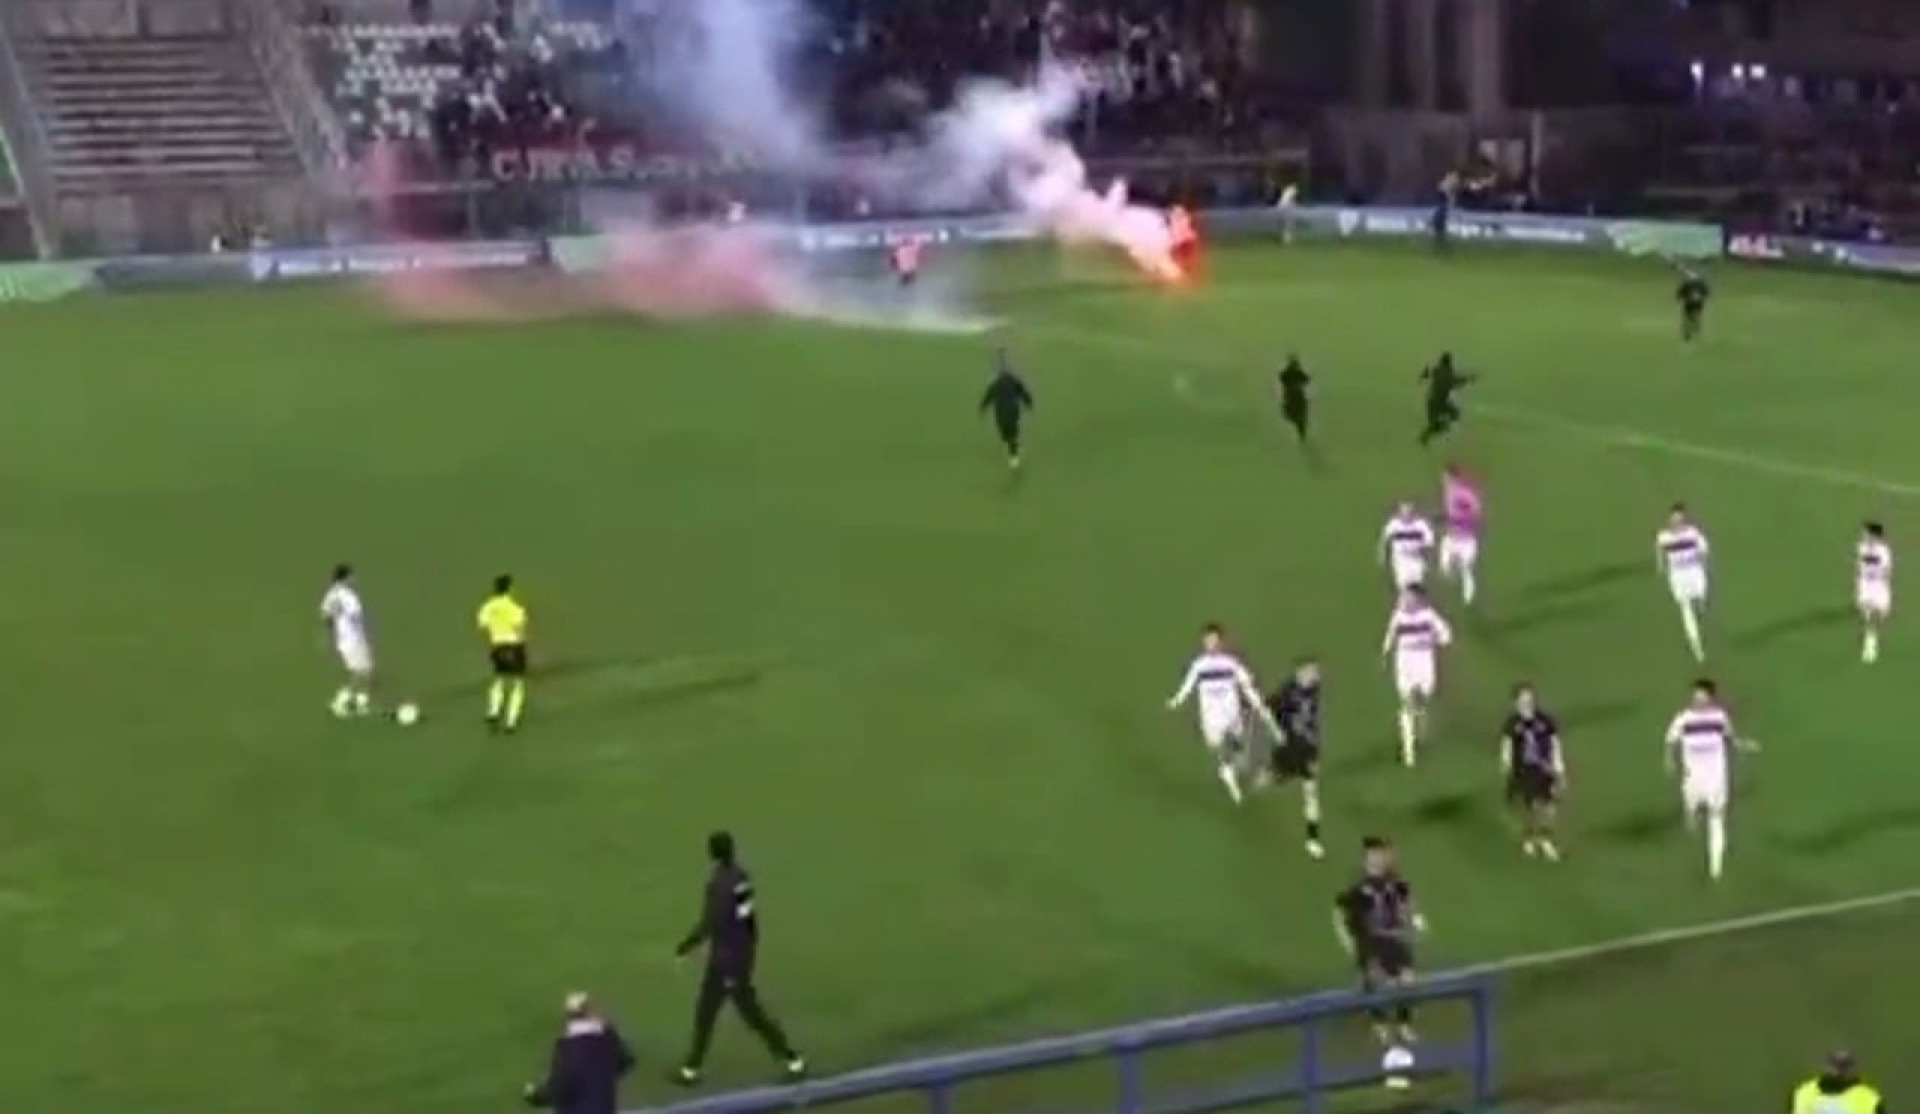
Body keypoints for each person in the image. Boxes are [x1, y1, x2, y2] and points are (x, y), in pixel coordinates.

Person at [675, 831, 807, 1087]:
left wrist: (685, 946)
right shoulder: (741, 878)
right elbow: (749, 922)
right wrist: (746, 954)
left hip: (725, 962)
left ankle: (792, 1058)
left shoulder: (717, 884)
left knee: (745, 1014)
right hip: (737, 958)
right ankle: (691, 1068)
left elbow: (709, 923)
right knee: (710, 1012)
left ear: (712, 853)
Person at [1167, 623, 1284, 805]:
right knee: (1219, 749)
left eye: (1214, 641)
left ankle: (1232, 770)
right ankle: (1231, 782)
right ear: (1203, 643)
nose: (1211, 645)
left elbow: (1246, 685)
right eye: (1207, 641)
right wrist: (1176, 700)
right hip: (1211, 718)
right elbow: (1187, 686)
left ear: (1221, 642)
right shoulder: (1199, 666)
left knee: (1238, 748)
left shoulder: (1230, 663)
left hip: (1231, 713)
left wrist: (1258, 704)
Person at [1333, 836, 1426, 1050]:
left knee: (1409, 981)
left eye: (1381, 855)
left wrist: (1416, 919)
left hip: (1394, 938)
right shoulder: (1359, 887)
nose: (1378, 860)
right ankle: (1380, 1024)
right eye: (1373, 856)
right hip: (1371, 941)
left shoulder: (1395, 882)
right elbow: (1339, 910)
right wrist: (1346, 938)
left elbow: (1409, 899)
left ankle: (1404, 1025)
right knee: (1376, 980)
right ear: (1365, 860)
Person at [1664, 678, 1756, 882]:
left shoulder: (1719, 717)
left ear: (1710, 698)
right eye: (1696, 695)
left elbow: (1730, 738)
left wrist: (1744, 745)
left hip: (1716, 776)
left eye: (1701, 695)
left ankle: (1716, 867)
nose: (1697, 699)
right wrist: (1669, 760)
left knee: (1717, 816)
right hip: (1693, 775)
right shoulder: (1684, 718)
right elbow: (1670, 740)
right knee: (1692, 812)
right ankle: (1692, 815)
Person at [522, 993, 635, 1114]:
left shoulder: (566, 1049)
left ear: (567, 1017)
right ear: (590, 1013)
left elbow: (560, 1089)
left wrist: (533, 1096)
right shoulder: (608, 1041)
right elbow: (626, 1061)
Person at [1381, 586, 1452, 768]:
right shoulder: (1398, 616)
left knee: (1423, 700)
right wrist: (1385, 652)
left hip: (1424, 661)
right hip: (1405, 662)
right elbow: (1390, 636)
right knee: (1407, 703)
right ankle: (1408, 750)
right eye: (1404, 598)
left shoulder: (1429, 616)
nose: (1405, 602)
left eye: (1409, 598)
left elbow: (1446, 635)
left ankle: (1419, 727)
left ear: (1419, 599)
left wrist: (1434, 640)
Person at [1266, 658, 1325, 858]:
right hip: (1289, 749)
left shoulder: (1314, 689)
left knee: (1311, 793)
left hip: (1308, 749)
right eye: (1312, 672)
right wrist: (1277, 732)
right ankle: (1249, 792)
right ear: (1300, 672)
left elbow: (1311, 718)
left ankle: (1313, 839)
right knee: (1272, 779)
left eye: (1317, 672)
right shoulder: (1287, 692)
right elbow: (1268, 709)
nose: (1316, 675)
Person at [1500, 684, 1565, 861]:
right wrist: (1506, 766)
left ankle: (1545, 838)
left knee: (1549, 806)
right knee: (1528, 807)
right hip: (1523, 770)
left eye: (1528, 700)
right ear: (1516, 703)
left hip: (1544, 768)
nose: (1526, 704)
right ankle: (1529, 838)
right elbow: (1507, 745)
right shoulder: (1513, 724)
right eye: (1522, 701)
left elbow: (1554, 742)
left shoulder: (1544, 721)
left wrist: (1558, 765)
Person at [1654, 504, 1711, 662]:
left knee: (1701, 598)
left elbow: (1704, 549)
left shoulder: (1692, 533)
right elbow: (1659, 546)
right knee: (1685, 608)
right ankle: (1696, 646)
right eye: (1674, 519)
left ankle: (1700, 606)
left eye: (1679, 519)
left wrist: (1703, 564)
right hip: (1678, 576)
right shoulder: (1664, 536)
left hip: (1694, 571)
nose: (1676, 522)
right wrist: (1660, 563)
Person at [320, 563, 375, 718]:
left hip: (343, 639)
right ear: (346, 577)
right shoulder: (348, 596)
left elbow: (325, 616)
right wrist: (368, 631)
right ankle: (339, 702)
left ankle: (360, 704)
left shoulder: (331, 594)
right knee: (361, 672)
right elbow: (356, 616)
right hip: (354, 639)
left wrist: (328, 635)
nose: (354, 579)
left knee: (366, 670)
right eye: (352, 576)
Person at [477, 573, 529, 732]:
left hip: (497, 645)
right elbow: (520, 628)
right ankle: (510, 721)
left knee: (499, 679)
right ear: (510, 588)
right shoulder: (515, 608)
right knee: (518, 684)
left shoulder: (487, 606)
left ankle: (493, 711)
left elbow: (482, 624)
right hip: (514, 646)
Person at [979, 349, 1034, 471]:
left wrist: (1028, 402)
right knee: (1006, 435)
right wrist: (1028, 402)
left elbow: (1022, 392)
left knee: (1011, 435)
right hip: (1002, 413)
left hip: (1010, 412)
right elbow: (989, 396)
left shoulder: (1009, 382)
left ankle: (1014, 456)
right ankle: (1014, 448)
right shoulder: (1000, 383)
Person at [1437, 464, 1483, 604]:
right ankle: (1455, 573)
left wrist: (1457, 518)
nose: (1444, 481)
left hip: (1466, 539)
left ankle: (1468, 598)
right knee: (1445, 569)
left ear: (1454, 478)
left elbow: (1475, 511)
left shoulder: (1464, 493)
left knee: (1466, 569)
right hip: (1451, 537)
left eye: (1446, 478)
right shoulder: (1448, 492)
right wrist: (1444, 517)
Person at [1790, 1051, 1883, 1114]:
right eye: (1836, 1067)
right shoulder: (1804, 1093)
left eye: (1843, 1068)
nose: (1839, 1073)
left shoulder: (1868, 1098)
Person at [1379, 502, 1435, 594]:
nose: (1406, 515)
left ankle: (1415, 604)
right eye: (1404, 512)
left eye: (1409, 512)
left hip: (1416, 558)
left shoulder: (1421, 525)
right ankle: (1405, 604)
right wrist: (1382, 555)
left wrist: (1425, 556)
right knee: (1403, 584)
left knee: (1417, 584)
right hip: (1400, 559)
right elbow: (1385, 540)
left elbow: (1429, 543)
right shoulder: (1393, 525)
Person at [1856, 521, 1892, 664]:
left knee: (1879, 614)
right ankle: (1869, 642)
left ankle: (1872, 638)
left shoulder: (1883, 551)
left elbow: (1886, 570)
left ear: (1874, 535)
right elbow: (1860, 567)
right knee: (1867, 613)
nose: (1863, 535)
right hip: (1866, 586)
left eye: (1866, 533)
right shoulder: (1861, 548)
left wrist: (1884, 587)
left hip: (1878, 586)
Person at [1418, 353, 1472, 445]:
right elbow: (1457, 381)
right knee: (1454, 414)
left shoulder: (1437, 370)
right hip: (1441, 403)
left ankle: (1427, 435)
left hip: (1432, 402)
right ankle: (1440, 429)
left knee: (1437, 424)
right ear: (1450, 363)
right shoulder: (1449, 374)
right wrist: (1469, 379)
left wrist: (1424, 374)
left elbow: (1426, 374)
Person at [1277, 354, 1311, 443]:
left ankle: (1300, 428)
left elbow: (1282, 379)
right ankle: (1301, 430)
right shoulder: (1297, 373)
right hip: (1297, 397)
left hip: (1292, 397)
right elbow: (1307, 380)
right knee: (1300, 415)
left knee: (1294, 414)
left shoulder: (1285, 373)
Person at [1676, 271, 1709, 342]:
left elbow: (1680, 292)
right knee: (1697, 315)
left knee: (1686, 317)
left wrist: (1679, 298)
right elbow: (1706, 292)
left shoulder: (1687, 284)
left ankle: (1687, 332)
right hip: (1699, 302)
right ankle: (1696, 326)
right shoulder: (1701, 284)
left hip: (1689, 302)